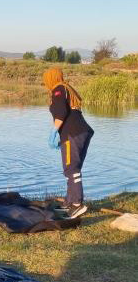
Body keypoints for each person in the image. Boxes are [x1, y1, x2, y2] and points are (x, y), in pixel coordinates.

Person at [43, 68, 94, 219]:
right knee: (71, 168)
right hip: (79, 132)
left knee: (71, 169)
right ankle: (69, 201)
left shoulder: (58, 89)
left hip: (73, 134)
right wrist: (60, 135)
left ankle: (77, 205)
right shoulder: (66, 88)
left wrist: (53, 132)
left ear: (50, 79)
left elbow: (60, 113)